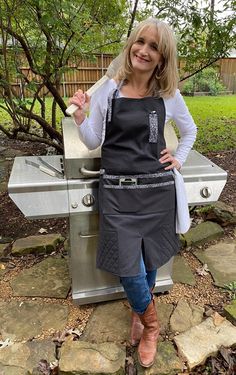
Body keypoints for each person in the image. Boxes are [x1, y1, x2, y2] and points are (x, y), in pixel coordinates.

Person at [69, 17, 197, 368]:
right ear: (132, 45)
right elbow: (95, 140)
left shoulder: (168, 96)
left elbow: (190, 131)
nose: (144, 50)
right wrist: (82, 116)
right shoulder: (110, 88)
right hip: (117, 193)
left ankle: (139, 316)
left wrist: (179, 159)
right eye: (141, 41)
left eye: (154, 46)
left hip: (157, 193)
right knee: (129, 267)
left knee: (151, 259)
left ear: (162, 58)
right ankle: (152, 324)